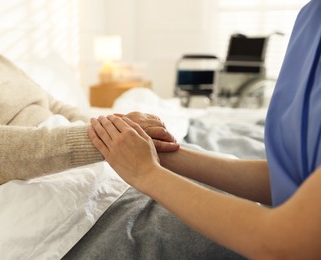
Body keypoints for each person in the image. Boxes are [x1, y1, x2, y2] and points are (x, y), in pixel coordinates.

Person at [0, 0, 179, 257]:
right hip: (27, 209)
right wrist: (105, 140)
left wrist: (119, 126)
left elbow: (57, 107)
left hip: (87, 178)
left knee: (206, 196)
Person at [88, 0, 321, 259]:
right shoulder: (311, 19)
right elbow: (294, 178)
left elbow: (286, 242)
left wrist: (147, 173)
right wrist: (164, 155)